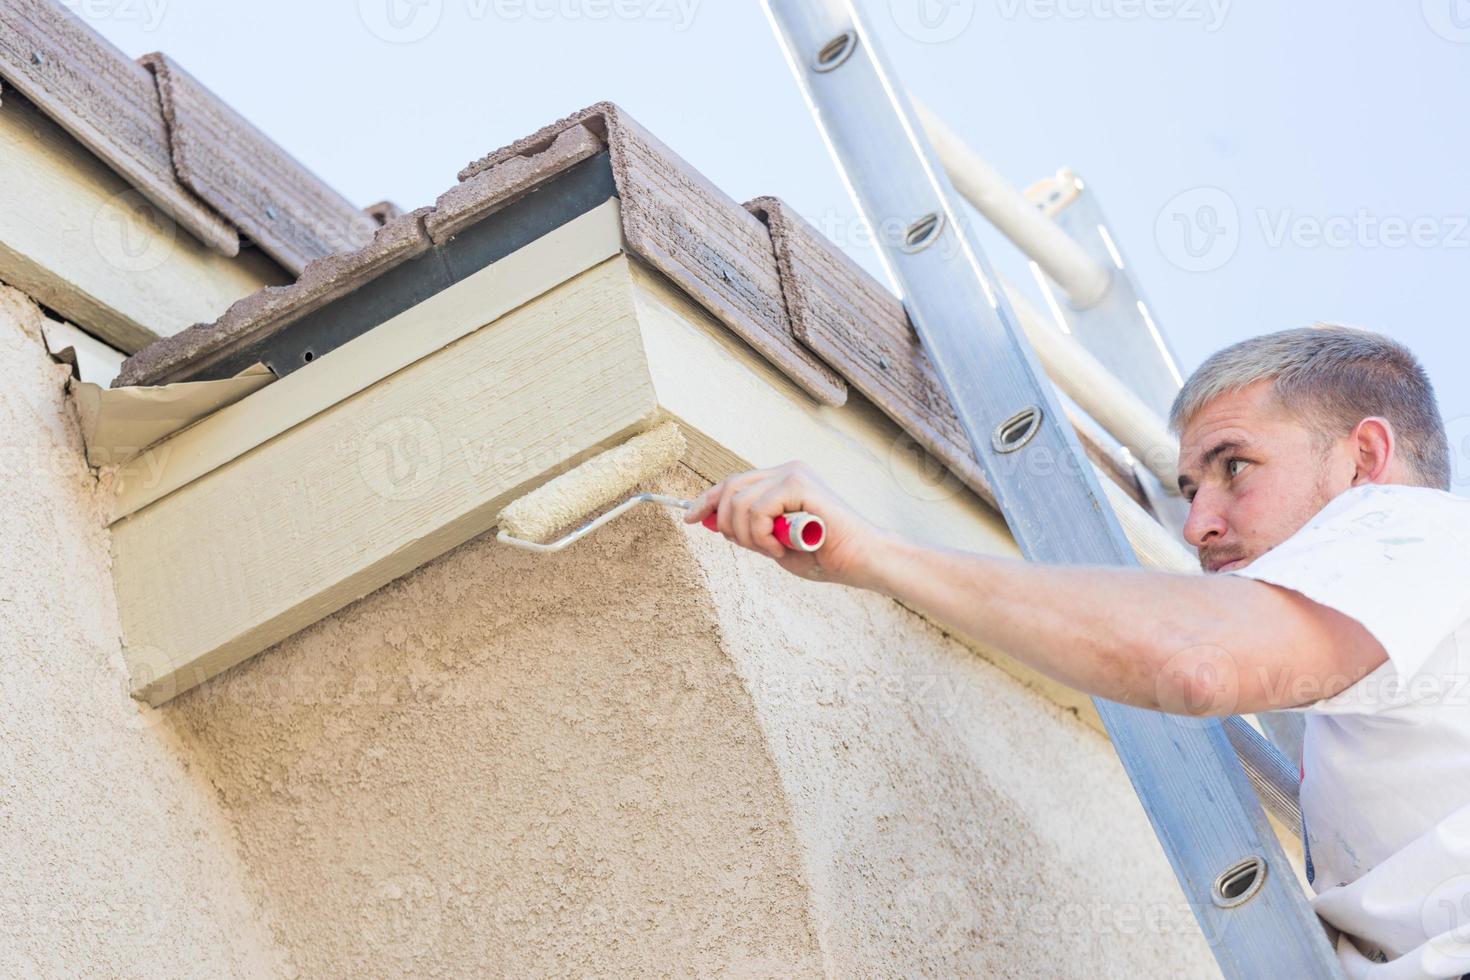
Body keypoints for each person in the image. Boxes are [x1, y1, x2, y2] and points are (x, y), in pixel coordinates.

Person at [684, 325, 1470, 978]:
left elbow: (1197, 658)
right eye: (1191, 490)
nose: (1197, 525)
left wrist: (876, 556)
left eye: (1235, 466)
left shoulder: (1420, 529)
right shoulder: (1386, 661)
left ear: (1364, 460)